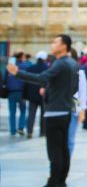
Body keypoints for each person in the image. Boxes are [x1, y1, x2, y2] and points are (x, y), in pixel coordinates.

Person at [6, 35, 79, 187]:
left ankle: (53, 182)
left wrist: (17, 72)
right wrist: (52, 91)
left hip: (55, 112)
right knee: (63, 148)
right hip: (66, 110)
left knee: (54, 151)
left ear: (64, 46)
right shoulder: (72, 63)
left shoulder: (60, 63)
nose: (52, 45)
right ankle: (61, 180)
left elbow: (41, 78)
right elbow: (72, 88)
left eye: (55, 42)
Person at [25, 51, 49, 138]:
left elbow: (26, 83)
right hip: (44, 94)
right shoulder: (47, 68)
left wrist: (24, 95)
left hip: (32, 95)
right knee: (44, 114)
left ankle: (29, 131)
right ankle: (43, 132)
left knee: (31, 114)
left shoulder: (31, 68)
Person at [6, 52, 27, 136]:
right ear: (21, 57)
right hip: (22, 92)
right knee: (23, 111)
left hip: (11, 92)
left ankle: (12, 130)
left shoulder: (10, 67)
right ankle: (21, 127)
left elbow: (5, 80)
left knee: (12, 112)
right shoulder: (25, 66)